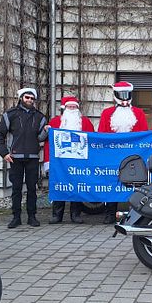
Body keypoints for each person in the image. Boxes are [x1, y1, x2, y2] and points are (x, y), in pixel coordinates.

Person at [0, 88, 48, 228]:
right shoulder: (10, 114)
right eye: (27, 97)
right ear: (21, 98)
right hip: (14, 157)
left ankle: (32, 217)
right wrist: (4, 153)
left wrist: (45, 132)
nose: (29, 100)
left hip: (33, 157)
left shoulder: (40, 117)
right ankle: (16, 217)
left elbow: (40, 138)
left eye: (32, 98)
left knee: (32, 189)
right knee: (16, 189)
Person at [98, 81, 149, 224]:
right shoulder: (107, 113)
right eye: (122, 95)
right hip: (112, 156)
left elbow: (144, 134)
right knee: (112, 183)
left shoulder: (138, 113)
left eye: (127, 95)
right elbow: (102, 134)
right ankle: (110, 213)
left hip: (133, 155)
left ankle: (135, 213)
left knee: (135, 183)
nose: (125, 99)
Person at [45, 96, 95, 224]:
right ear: (64, 108)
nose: (72, 109)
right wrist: (48, 162)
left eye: (74, 107)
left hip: (79, 162)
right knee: (59, 185)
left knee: (77, 187)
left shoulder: (85, 122)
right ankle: (57, 214)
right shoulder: (55, 122)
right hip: (59, 163)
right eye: (69, 107)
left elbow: (93, 141)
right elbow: (48, 143)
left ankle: (75, 214)